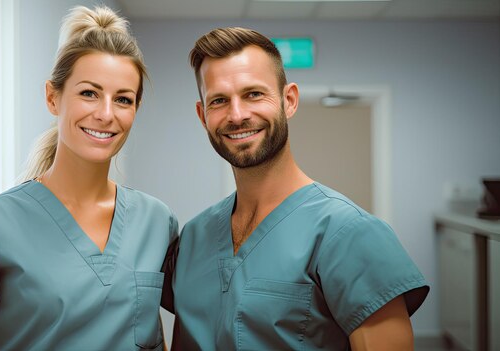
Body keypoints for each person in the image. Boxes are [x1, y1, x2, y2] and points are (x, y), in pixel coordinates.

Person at [165, 27, 429, 350]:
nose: (237, 115)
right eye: (219, 100)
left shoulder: (349, 234)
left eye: (254, 94)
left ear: (289, 101)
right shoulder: (192, 239)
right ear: (202, 114)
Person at [0, 6, 177, 350]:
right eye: (89, 93)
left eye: (123, 99)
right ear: (52, 97)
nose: (106, 114)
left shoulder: (156, 221)